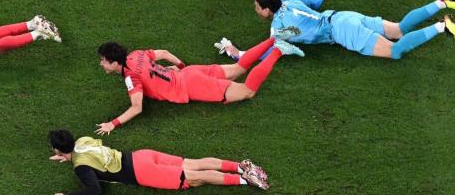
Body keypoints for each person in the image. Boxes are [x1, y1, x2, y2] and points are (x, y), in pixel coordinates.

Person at [94, 40, 297, 135]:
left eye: (103, 61)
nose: (101, 64)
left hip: (192, 86)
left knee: (247, 91)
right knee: (237, 68)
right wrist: (182, 67)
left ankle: (279, 50)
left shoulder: (131, 78)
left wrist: (113, 124)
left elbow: (137, 107)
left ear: (114, 63)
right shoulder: (136, 54)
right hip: (189, 73)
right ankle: (273, 39)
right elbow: (163, 52)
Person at [221, 0, 455, 62]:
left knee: (395, 51)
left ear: (266, 10)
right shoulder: (290, 0)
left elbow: (265, 52)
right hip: (343, 16)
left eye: (257, 8)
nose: (256, 11)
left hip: (342, 31)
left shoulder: (278, 30)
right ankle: (441, 1)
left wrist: (238, 53)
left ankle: (442, 26)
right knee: (398, 29)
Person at [47, 130, 269, 192]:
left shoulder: (81, 167)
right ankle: (240, 166)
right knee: (194, 163)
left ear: (58, 149)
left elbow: (94, 190)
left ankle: (245, 180)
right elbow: (90, 153)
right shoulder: (84, 140)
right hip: (141, 155)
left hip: (142, 172)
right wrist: (69, 155)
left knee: (195, 179)